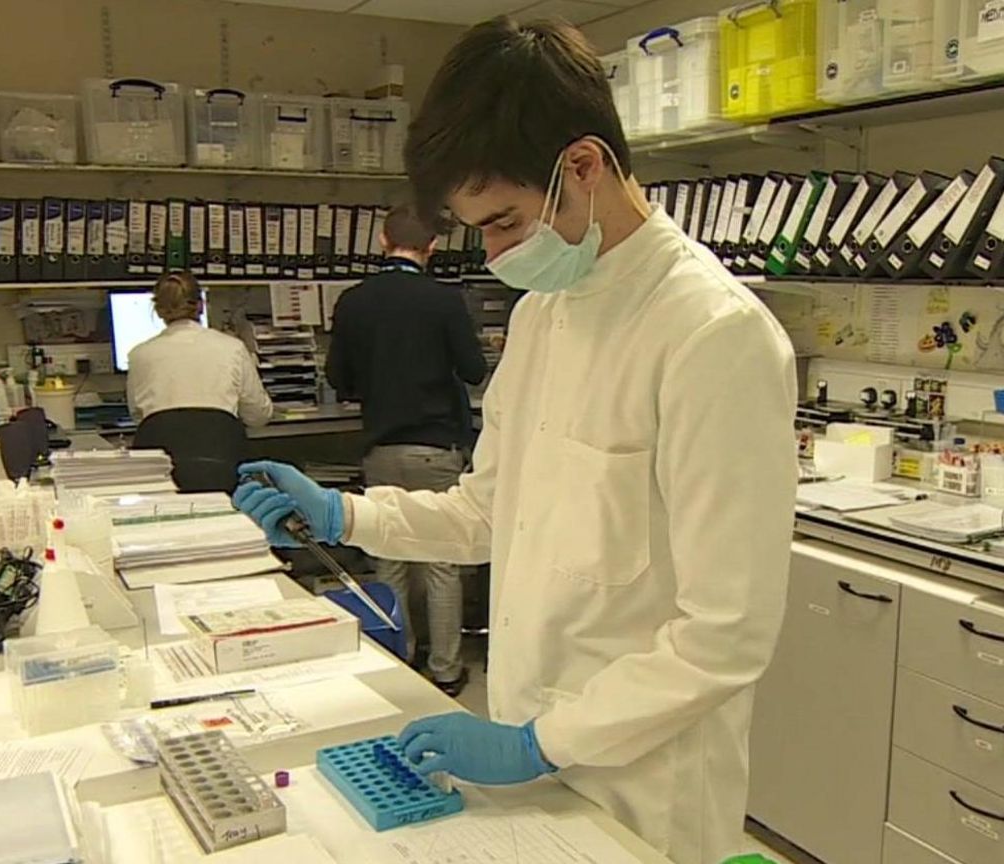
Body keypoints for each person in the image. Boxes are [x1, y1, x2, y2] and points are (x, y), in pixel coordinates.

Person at [233, 17, 797, 864]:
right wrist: (348, 516)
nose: (494, 253)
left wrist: (542, 741)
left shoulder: (713, 335)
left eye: (503, 222)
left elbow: (726, 636)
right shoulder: (545, 314)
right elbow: (488, 513)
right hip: (528, 750)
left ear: (583, 166)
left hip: (645, 782)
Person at [326, 204, 487, 697]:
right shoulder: (443, 301)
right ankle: (446, 669)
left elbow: (339, 379)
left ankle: (398, 658)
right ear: (433, 247)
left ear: (381, 240)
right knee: (442, 559)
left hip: (380, 447)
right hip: (436, 446)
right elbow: (474, 369)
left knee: (389, 555)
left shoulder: (352, 301)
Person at [126, 271, 273, 429]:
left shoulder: (138, 355)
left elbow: (139, 419)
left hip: (162, 451)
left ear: (158, 310)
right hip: (221, 450)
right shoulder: (232, 349)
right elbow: (258, 416)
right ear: (201, 305)